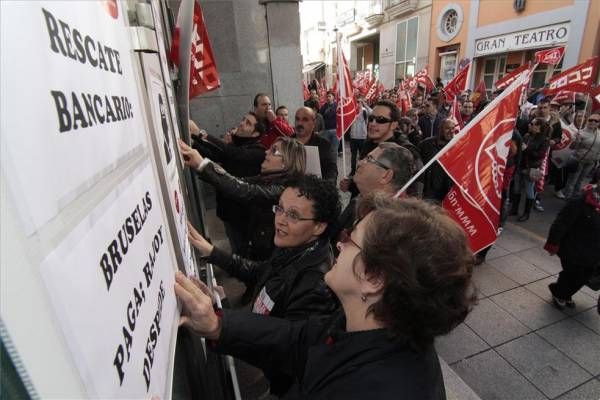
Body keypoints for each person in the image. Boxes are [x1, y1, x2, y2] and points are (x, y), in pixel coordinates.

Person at [175, 195, 476, 399]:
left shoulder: (373, 390)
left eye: (350, 239)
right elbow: (297, 338)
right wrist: (217, 324)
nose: (340, 245)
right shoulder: (364, 325)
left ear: (373, 279)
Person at [186, 175, 341, 395]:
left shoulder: (315, 284)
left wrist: (220, 324)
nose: (280, 220)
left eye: (293, 215)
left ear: (318, 227)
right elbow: (263, 272)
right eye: (280, 209)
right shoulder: (295, 245)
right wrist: (213, 253)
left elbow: (283, 347)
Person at [179, 136, 305, 262]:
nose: (266, 152)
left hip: (266, 259)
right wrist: (203, 165)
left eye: (274, 151)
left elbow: (243, 190)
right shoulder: (267, 179)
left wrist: (203, 165)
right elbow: (237, 182)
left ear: (286, 162)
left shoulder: (283, 190)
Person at [189, 114, 266, 253]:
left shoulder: (258, 151)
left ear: (255, 133)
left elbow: (233, 154)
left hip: (243, 213)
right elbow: (214, 154)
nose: (242, 123)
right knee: (234, 244)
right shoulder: (236, 145)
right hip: (228, 209)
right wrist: (193, 144)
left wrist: (200, 134)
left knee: (243, 251)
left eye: (248, 123)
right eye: (243, 119)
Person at [545, 183, 600, 309]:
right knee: (573, 274)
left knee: (585, 277)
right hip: (574, 249)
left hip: (594, 252)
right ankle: (559, 293)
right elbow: (561, 222)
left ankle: (565, 293)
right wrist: (553, 243)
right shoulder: (580, 200)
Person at [514, 118, 550, 222]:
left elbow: (540, 155)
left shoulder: (544, 140)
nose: (530, 125)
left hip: (531, 169)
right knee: (517, 188)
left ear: (539, 127)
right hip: (521, 166)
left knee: (529, 191)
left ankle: (526, 213)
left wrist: (527, 149)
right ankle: (515, 209)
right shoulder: (527, 136)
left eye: (533, 124)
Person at [561, 113, 600, 199]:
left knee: (581, 181)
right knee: (572, 181)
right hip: (579, 160)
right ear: (587, 121)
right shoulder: (580, 132)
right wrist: (577, 141)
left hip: (591, 162)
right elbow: (572, 147)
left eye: (596, 121)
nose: (593, 122)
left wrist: (597, 160)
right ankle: (568, 199)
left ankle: (576, 199)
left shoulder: (599, 134)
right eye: (591, 120)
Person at [293, 107, 338, 181]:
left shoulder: (324, 144)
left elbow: (331, 170)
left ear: (314, 123)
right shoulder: (286, 143)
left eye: (305, 120)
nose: (299, 123)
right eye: (297, 119)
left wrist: (326, 186)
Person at [419, 118, 456, 201]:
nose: (451, 131)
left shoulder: (456, 145)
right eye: (447, 128)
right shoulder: (426, 144)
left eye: (453, 128)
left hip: (448, 193)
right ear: (440, 129)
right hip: (429, 192)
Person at [348, 97, 371, 175]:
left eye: (360, 102)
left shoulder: (365, 111)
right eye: (357, 102)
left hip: (362, 137)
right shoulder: (352, 111)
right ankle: (353, 171)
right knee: (353, 156)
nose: (358, 104)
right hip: (353, 136)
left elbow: (372, 112)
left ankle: (361, 171)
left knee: (362, 155)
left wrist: (365, 104)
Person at [319, 91, 338, 156]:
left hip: (335, 131)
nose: (328, 98)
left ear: (333, 97)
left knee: (334, 150)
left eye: (329, 96)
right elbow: (320, 116)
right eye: (327, 96)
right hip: (326, 130)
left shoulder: (337, 106)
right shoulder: (324, 106)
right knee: (326, 149)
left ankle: (333, 164)